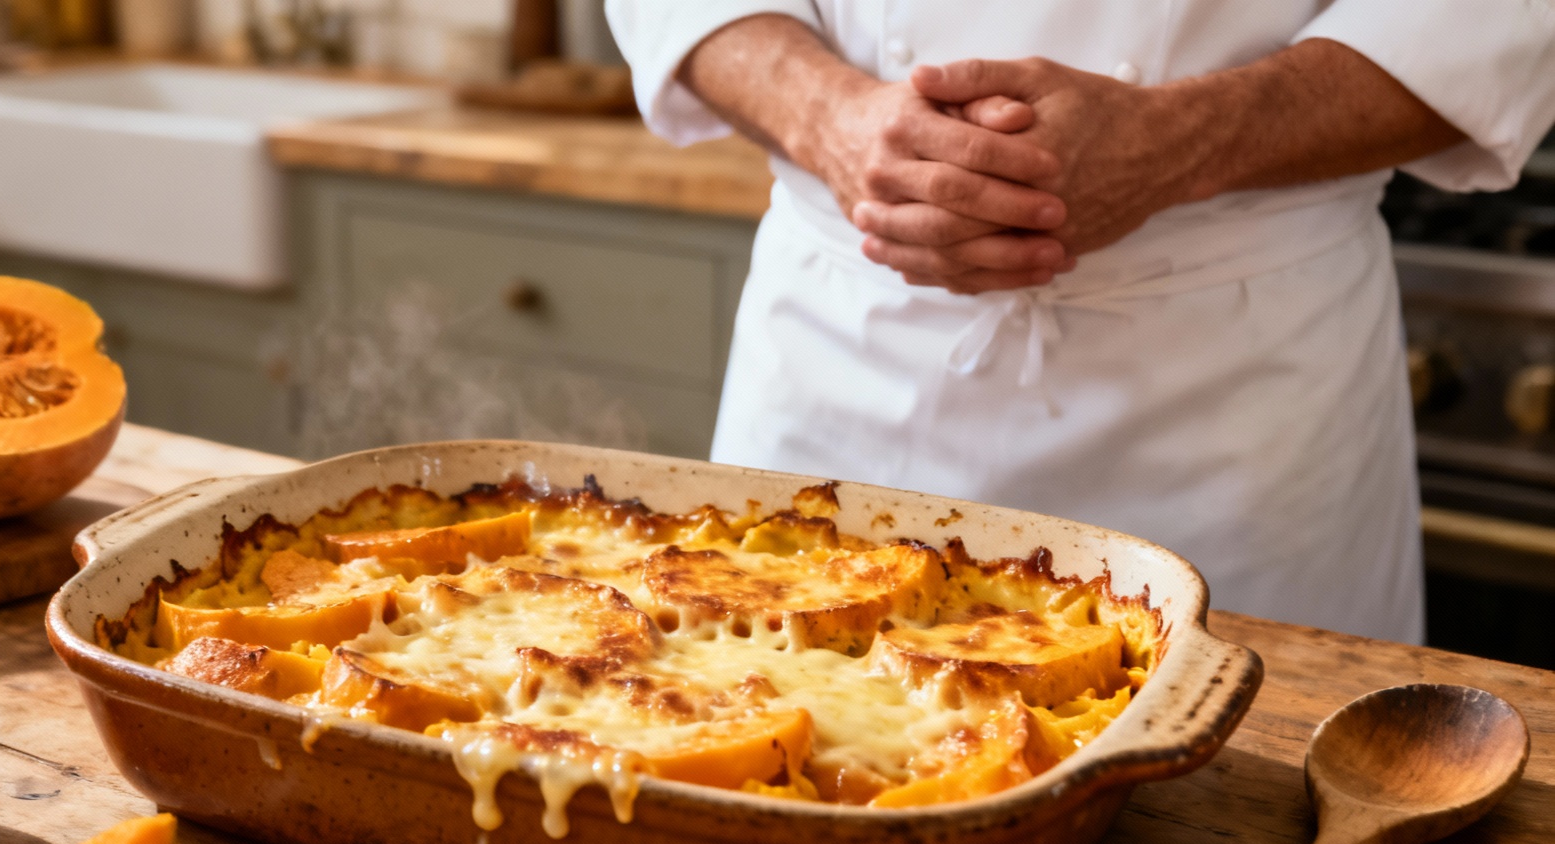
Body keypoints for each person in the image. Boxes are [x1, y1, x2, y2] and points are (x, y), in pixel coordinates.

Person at [602, 4, 1555, 643]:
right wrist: (829, 118)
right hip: (846, 347)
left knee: (1249, 833)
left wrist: (1189, 136)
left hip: (1236, 399)